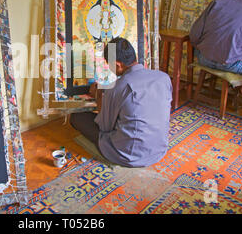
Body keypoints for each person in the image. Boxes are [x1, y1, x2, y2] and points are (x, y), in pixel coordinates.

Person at [69, 37, 172, 168]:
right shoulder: (163, 77)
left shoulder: (117, 87)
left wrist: (99, 95)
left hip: (129, 155)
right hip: (158, 149)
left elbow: (104, 128)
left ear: (118, 65)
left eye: (108, 64)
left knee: (77, 117)